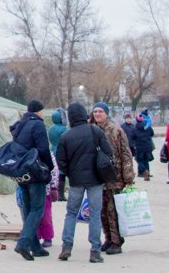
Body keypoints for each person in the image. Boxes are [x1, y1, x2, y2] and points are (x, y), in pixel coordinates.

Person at [55, 102, 112, 263]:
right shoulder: (96, 131)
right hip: (96, 179)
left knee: (71, 213)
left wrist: (69, 173)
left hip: (75, 180)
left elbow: (61, 160)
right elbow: (109, 153)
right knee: (95, 214)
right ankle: (95, 250)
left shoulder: (66, 136)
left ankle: (66, 246)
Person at [9, 98, 54, 261]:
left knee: (28, 209)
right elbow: (43, 149)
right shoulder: (38, 124)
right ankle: (23, 242)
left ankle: (35, 246)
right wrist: (49, 167)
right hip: (35, 171)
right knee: (37, 209)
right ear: (39, 111)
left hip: (22, 171)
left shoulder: (20, 125)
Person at [91, 102, 135, 255]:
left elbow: (125, 153)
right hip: (99, 177)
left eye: (100, 111)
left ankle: (117, 241)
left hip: (115, 176)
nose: (97, 114)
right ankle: (108, 238)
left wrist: (128, 176)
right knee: (102, 210)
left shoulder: (116, 130)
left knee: (113, 210)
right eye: (95, 111)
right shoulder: (93, 129)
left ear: (106, 113)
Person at [48, 108, 68, 200]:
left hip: (53, 149)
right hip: (62, 150)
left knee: (55, 171)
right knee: (62, 173)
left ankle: (54, 191)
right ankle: (61, 194)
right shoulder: (64, 129)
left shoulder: (51, 129)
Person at [132, 113, 156, 181]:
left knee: (139, 160)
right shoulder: (147, 126)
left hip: (139, 147)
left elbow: (132, 137)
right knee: (146, 160)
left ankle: (145, 171)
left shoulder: (135, 128)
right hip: (148, 146)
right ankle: (147, 175)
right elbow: (152, 133)